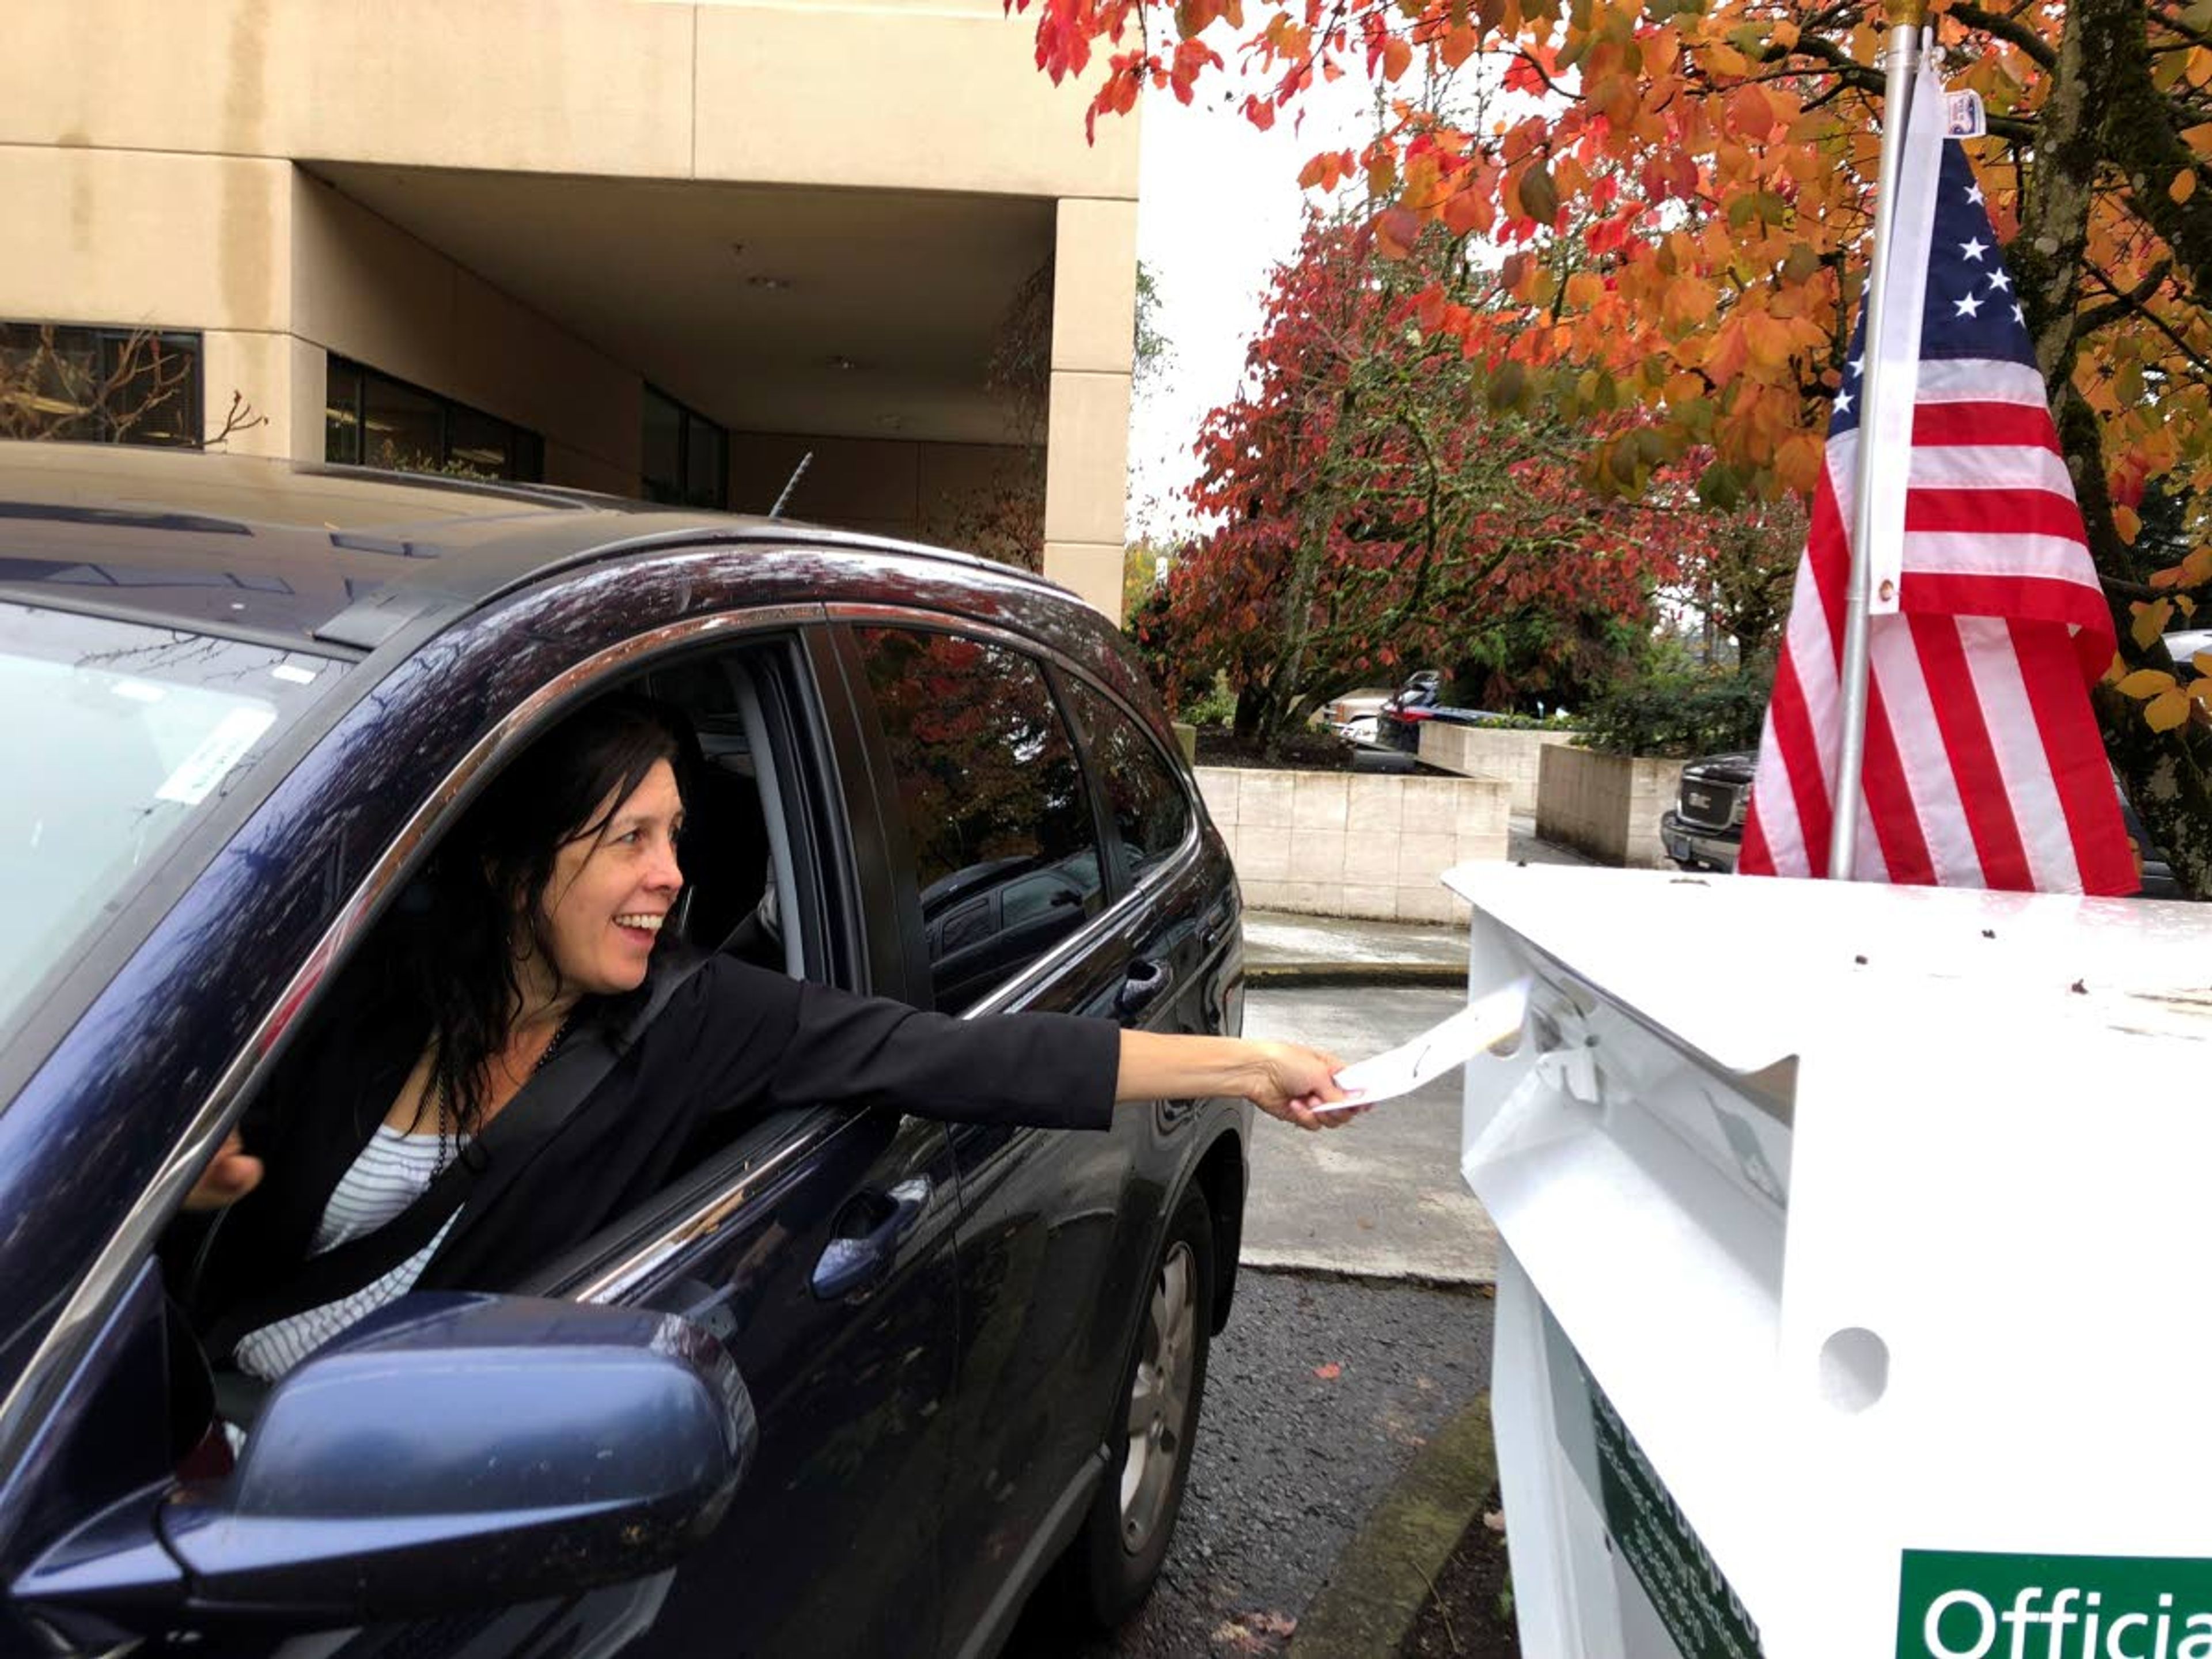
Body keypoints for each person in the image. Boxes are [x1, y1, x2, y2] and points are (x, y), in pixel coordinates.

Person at [173, 694, 1357, 1382]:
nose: (670, 876)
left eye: (676, 835)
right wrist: (202, 1203)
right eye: (628, 838)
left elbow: (958, 1056)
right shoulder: (367, 1002)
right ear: (512, 866)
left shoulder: (699, 1019)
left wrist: (1252, 1068)